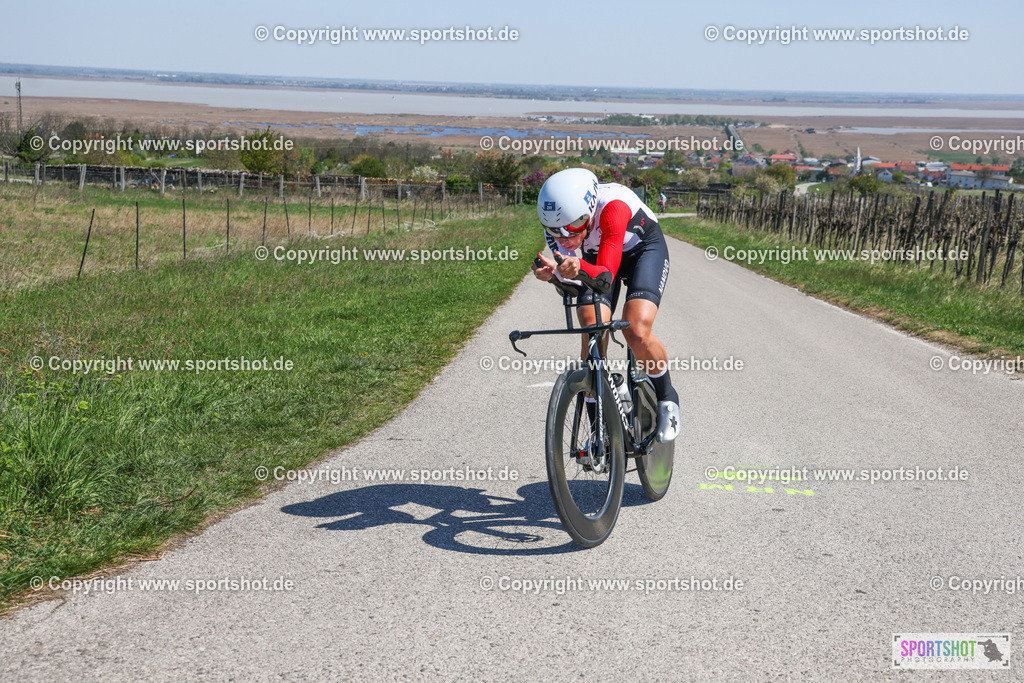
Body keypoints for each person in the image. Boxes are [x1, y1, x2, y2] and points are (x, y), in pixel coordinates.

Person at [531, 168, 680, 442]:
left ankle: (667, 397)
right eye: (555, 232)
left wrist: (575, 268)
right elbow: (575, 284)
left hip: (642, 251)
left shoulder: (613, 208)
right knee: (591, 334)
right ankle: (600, 432)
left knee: (635, 330)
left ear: (588, 212)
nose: (564, 240)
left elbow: (605, 276)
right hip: (597, 255)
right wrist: (555, 276)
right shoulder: (559, 220)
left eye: (572, 230)